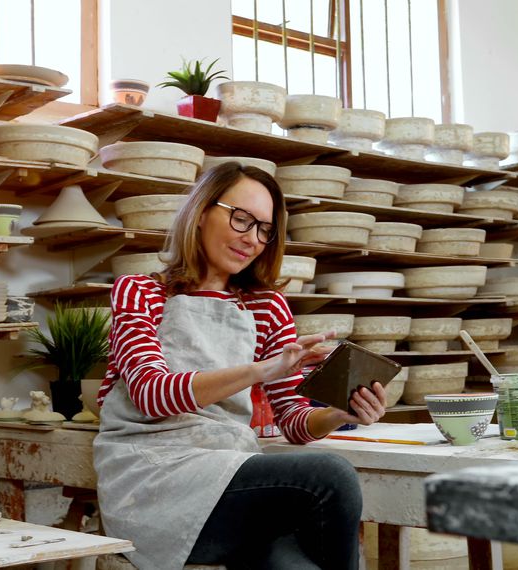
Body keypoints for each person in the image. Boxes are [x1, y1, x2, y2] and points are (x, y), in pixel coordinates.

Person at [93, 161, 390, 570]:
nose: (252, 239)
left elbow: (294, 419)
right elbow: (150, 394)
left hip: (230, 471)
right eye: (241, 219)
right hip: (152, 479)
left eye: (264, 230)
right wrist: (261, 370)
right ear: (200, 212)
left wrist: (342, 412)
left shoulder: (266, 307)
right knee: (330, 475)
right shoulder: (139, 292)